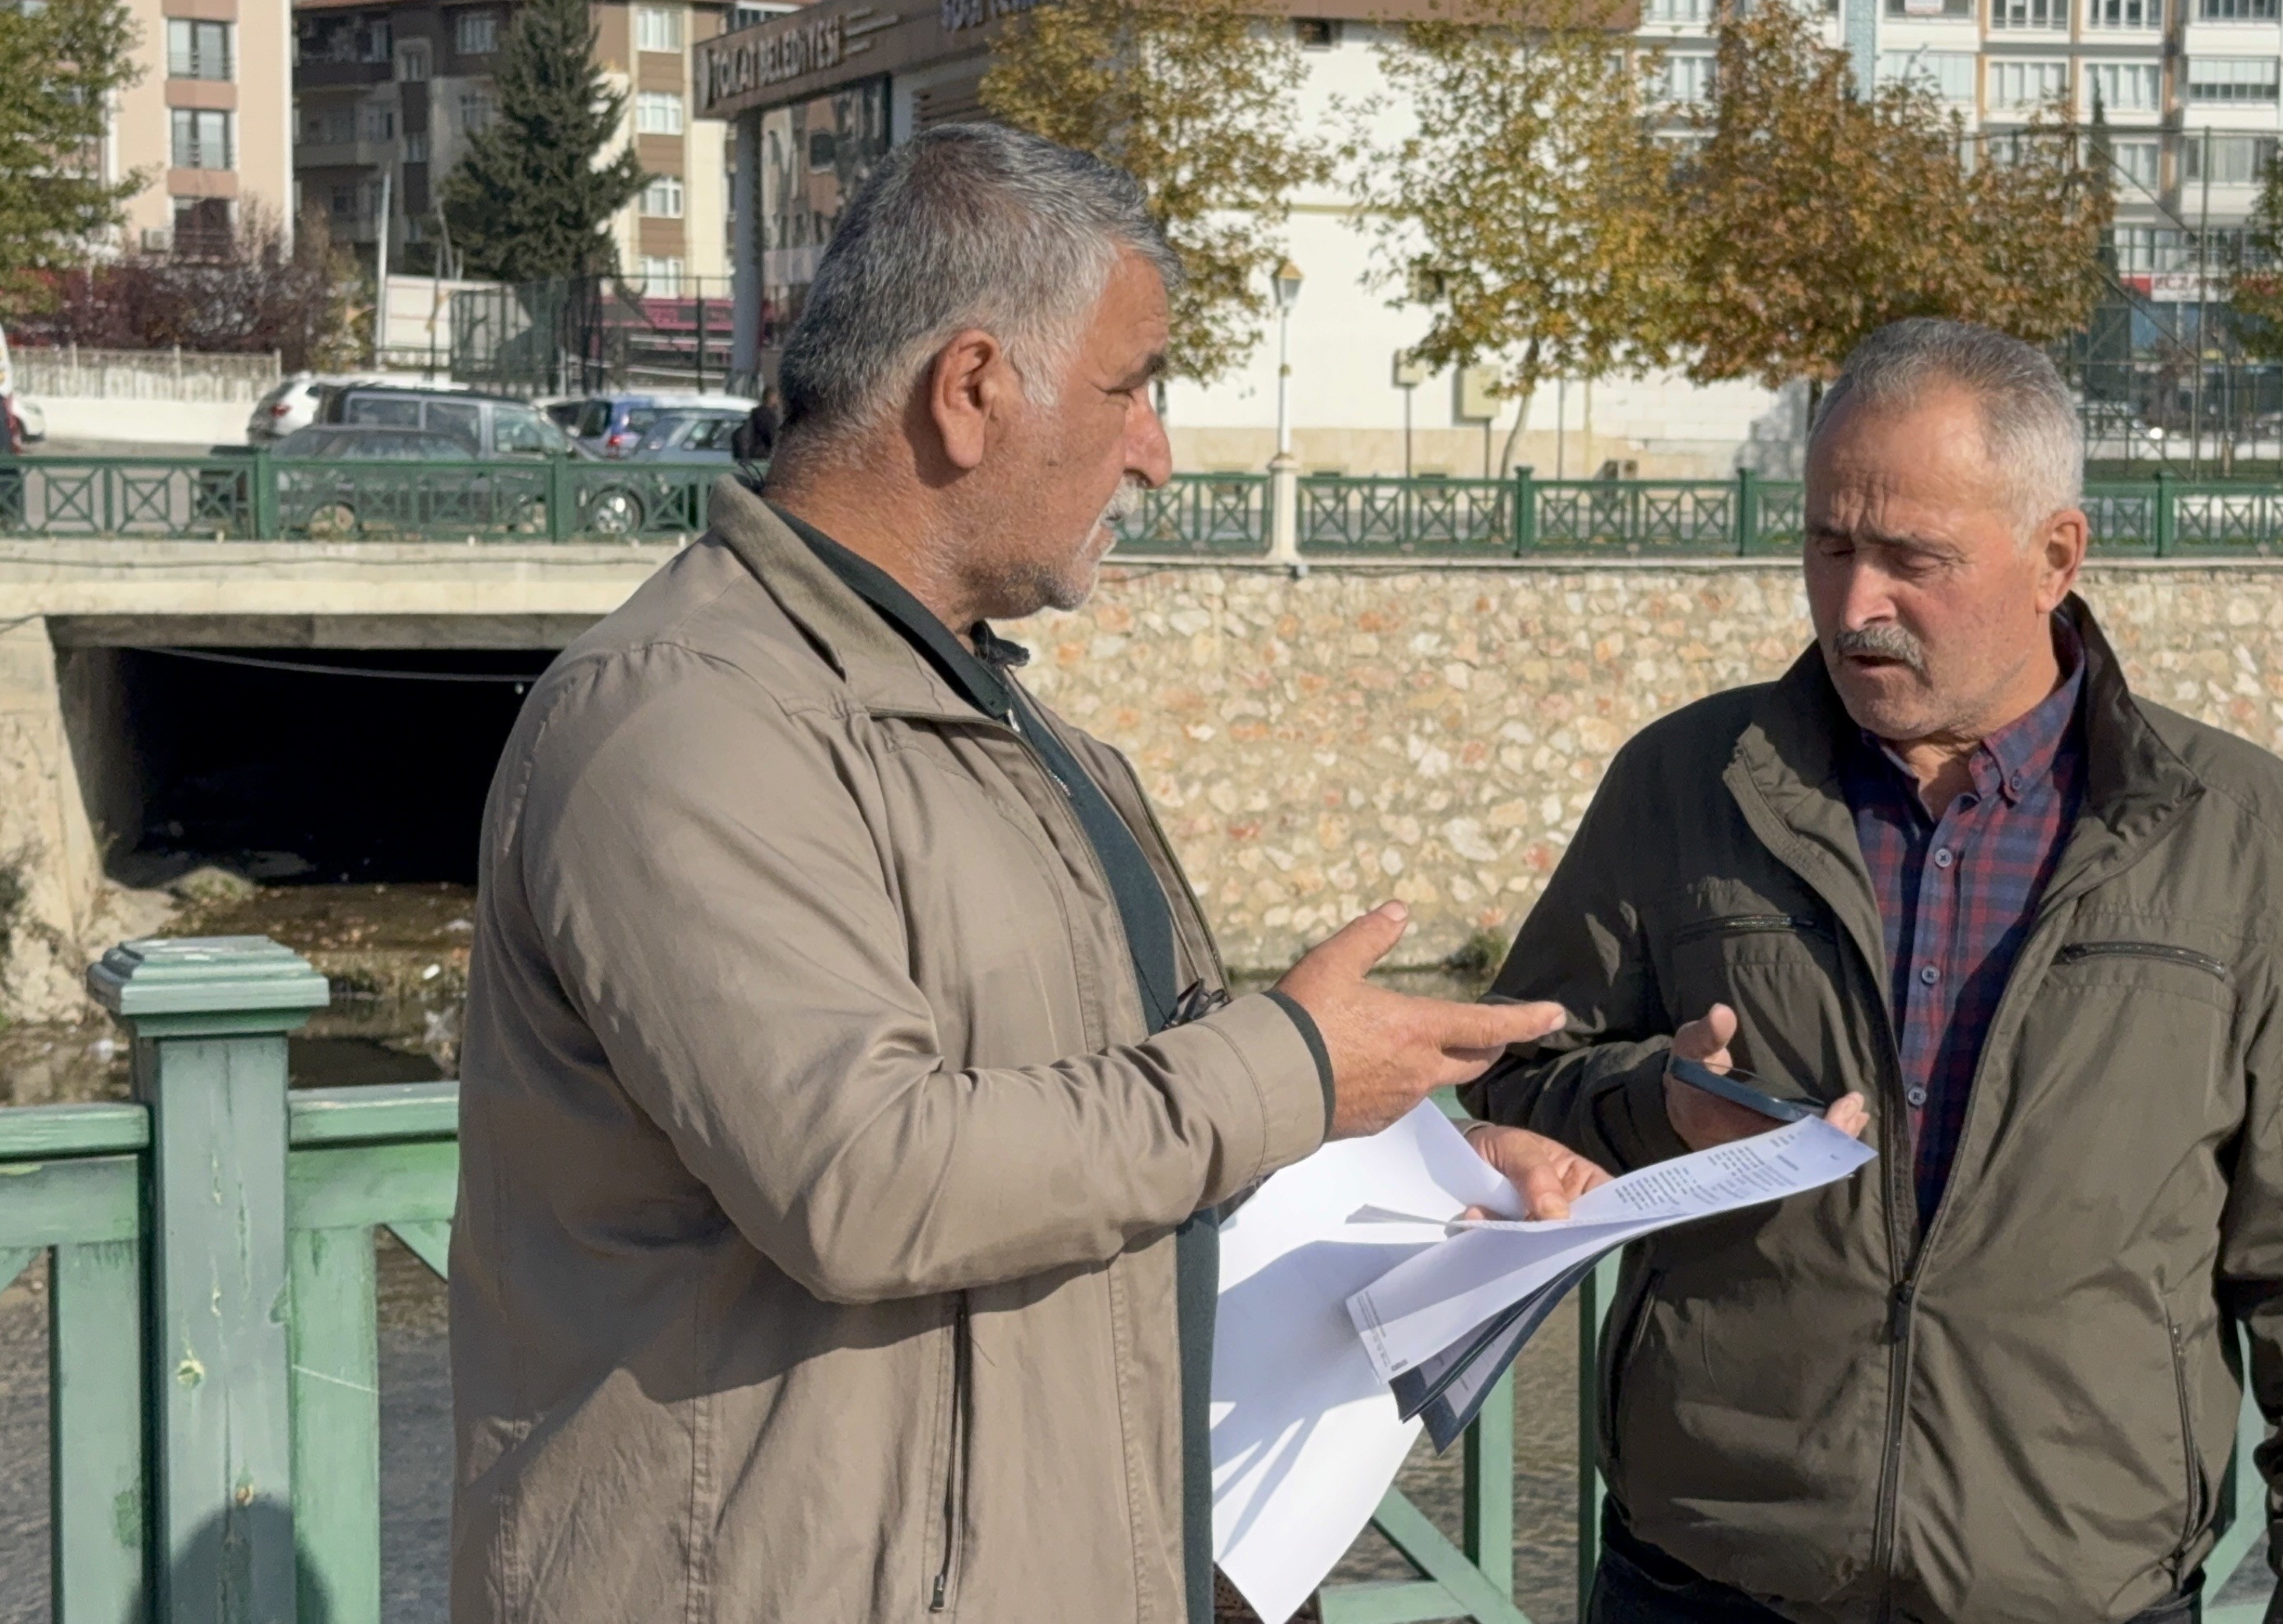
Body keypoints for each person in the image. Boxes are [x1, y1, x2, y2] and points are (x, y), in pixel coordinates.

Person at [451, 123, 1605, 1624]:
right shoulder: (686, 720)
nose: (1155, 451)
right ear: (974, 390)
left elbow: (1135, 1113)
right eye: (1129, 388)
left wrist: (1425, 1178)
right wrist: (1286, 1070)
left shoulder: (1024, 738)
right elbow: (865, 1178)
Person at [1467, 319, 2283, 1624]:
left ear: (2057, 556)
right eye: (1827, 546)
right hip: (1709, 1582)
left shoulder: (2237, 829)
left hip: (2081, 1589)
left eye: (1912, 559)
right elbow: (1512, 1089)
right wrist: (1658, 1107)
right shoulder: (1684, 784)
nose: (1856, 604)